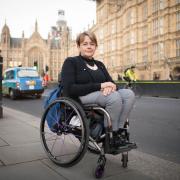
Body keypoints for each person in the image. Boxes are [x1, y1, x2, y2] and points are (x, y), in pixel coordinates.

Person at [61, 31, 135, 148]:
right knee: (114, 97)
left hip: (102, 95)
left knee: (128, 94)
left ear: (96, 46)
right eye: (85, 44)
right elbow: (70, 88)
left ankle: (119, 132)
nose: (89, 46)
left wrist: (111, 87)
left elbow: (111, 83)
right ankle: (110, 137)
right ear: (79, 46)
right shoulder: (71, 62)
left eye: (92, 43)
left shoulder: (100, 64)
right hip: (80, 97)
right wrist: (101, 86)